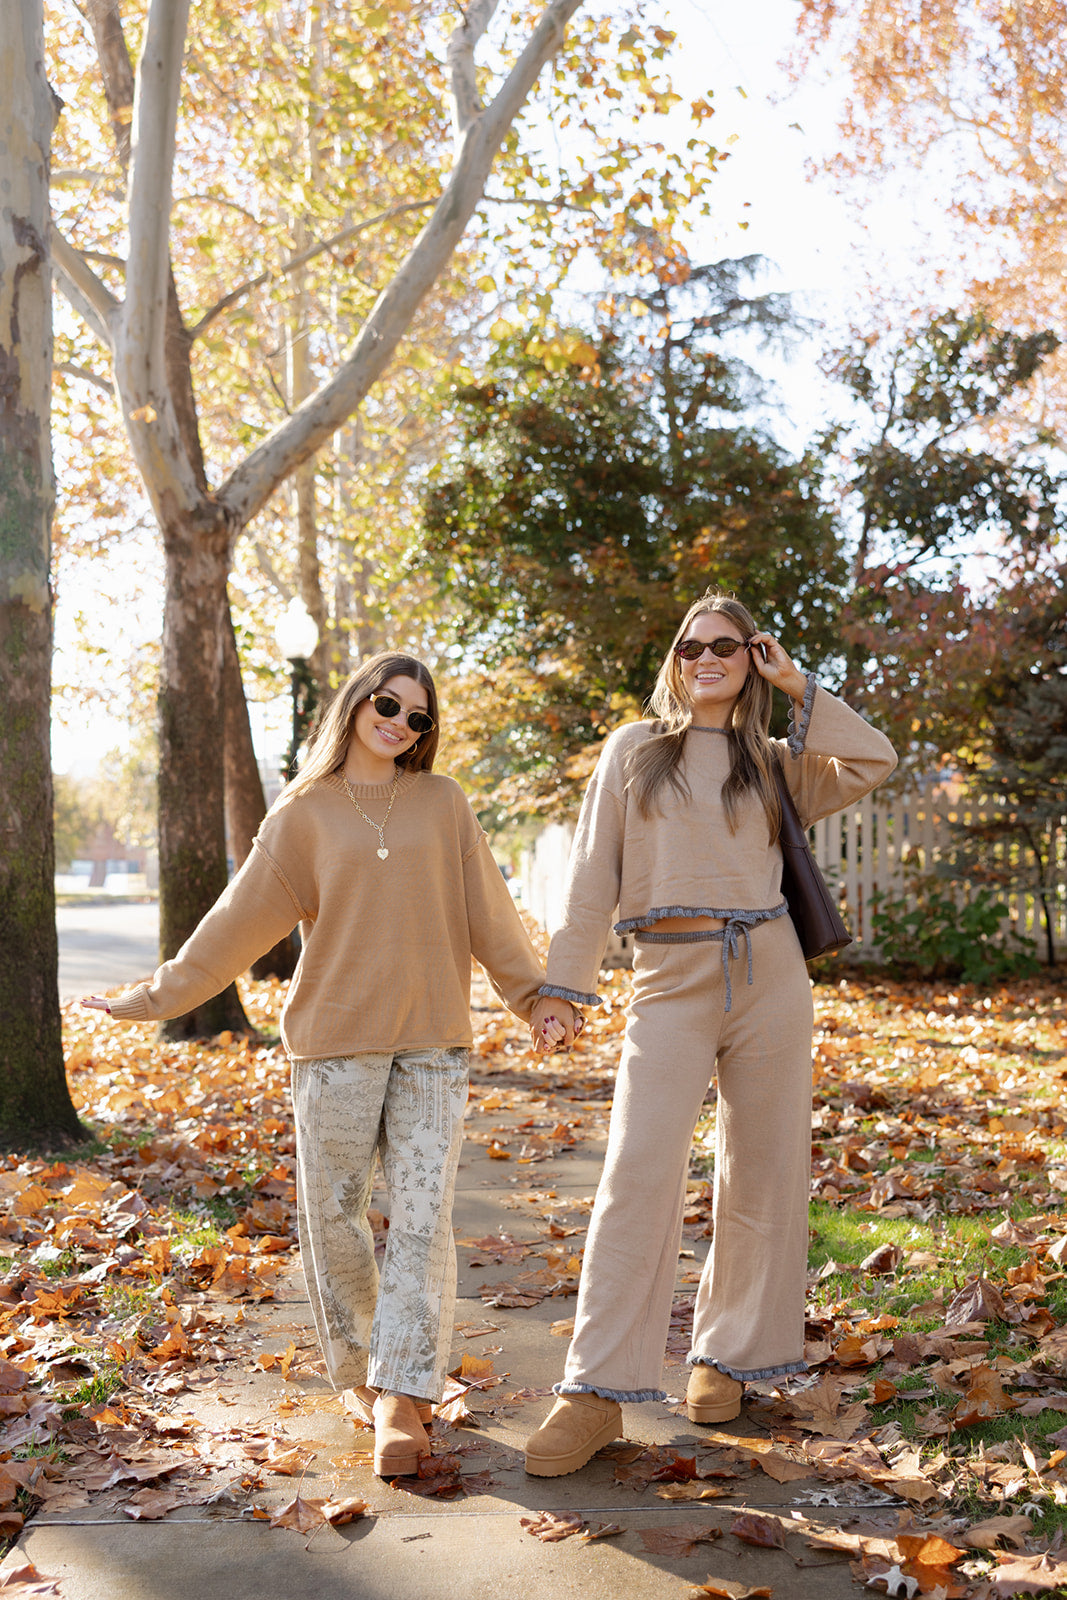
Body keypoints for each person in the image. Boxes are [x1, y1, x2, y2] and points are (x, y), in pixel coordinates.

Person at [84, 651, 565, 1478]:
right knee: (334, 1221)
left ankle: (401, 1394)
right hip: (333, 1048)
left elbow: (489, 913)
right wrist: (156, 997)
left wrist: (534, 998)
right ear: (355, 702)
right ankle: (367, 1376)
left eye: (418, 717)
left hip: (433, 1045)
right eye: (388, 703)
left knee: (420, 1222)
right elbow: (235, 923)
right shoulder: (302, 813)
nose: (400, 723)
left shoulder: (444, 804)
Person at [522, 592, 897, 1477]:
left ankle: (726, 1359)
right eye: (692, 645)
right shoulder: (632, 751)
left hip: (769, 975)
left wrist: (798, 684)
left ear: (750, 657)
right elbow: (589, 878)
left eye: (727, 646)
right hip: (667, 977)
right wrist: (566, 988)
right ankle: (596, 1392)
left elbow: (873, 757)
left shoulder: (771, 760)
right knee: (636, 1174)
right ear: (673, 658)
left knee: (763, 1171)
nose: (706, 657)